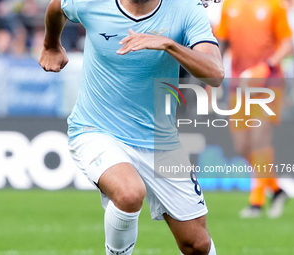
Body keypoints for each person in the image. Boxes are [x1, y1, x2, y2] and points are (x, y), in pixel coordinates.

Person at [39, 0, 224, 254]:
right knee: (129, 193)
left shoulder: (185, 9)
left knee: (197, 245)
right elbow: (56, 7)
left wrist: (169, 44)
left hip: (160, 140)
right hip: (96, 129)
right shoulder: (90, 2)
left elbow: (215, 73)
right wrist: (51, 45)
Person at [215, 0, 293, 218]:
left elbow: (287, 44)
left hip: (269, 83)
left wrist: (267, 65)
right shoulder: (229, 4)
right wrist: (214, 69)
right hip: (239, 85)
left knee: (260, 141)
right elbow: (222, 41)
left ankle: (256, 202)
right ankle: (276, 190)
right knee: (242, 147)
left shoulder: (274, 4)